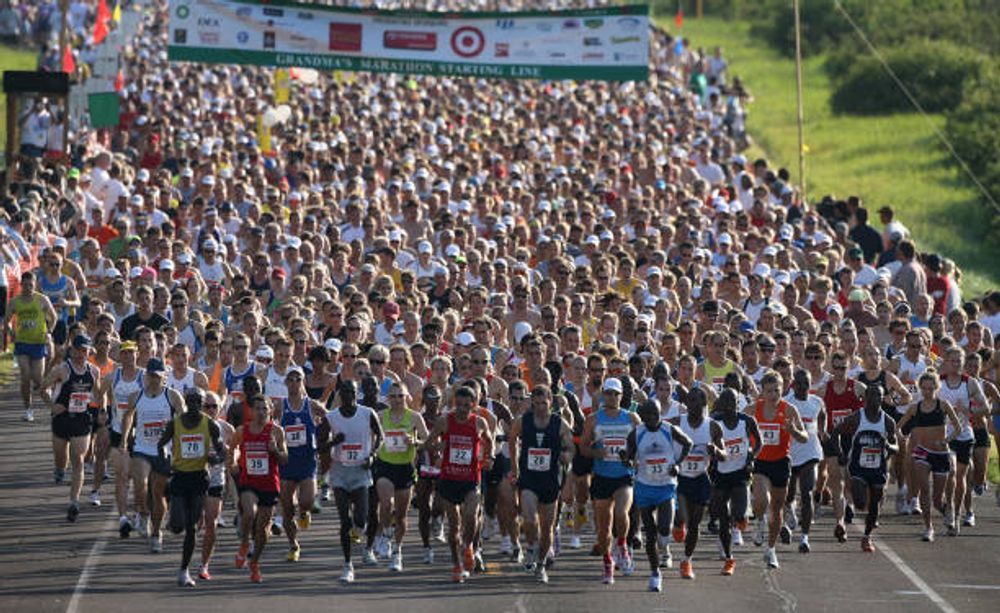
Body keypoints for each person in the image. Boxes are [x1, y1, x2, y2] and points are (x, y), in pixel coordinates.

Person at [157, 387, 225, 586]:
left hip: (199, 478)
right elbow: (161, 444)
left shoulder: (210, 424)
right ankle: (172, 511)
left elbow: (222, 450)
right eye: (192, 401)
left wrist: (216, 458)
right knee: (178, 526)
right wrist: (165, 462)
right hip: (179, 476)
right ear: (186, 403)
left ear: (203, 405)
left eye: (199, 402)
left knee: (192, 528)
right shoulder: (175, 423)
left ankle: (184, 570)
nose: (195, 405)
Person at [425, 385, 493, 583]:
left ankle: (469, 547)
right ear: (454, 403)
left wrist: (490, 457)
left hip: (471, 478)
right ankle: (457, 565)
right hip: (449, 479)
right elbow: (429, 444)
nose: (462, 409)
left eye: (467, 405)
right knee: (454, 525)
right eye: (459, 404)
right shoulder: (444, 421)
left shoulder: (479, 423)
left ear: (473, 405)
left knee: (471, 514)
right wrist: (439, 448)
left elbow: (489, 441)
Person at [509, 384, 575, 584]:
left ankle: (541, 564)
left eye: (544, 403)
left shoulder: (559, 423)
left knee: (547, 528)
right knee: (529, 519)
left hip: (550, 480)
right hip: (529, 478)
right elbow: (512, 439)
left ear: (550, 402)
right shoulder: (523, 421)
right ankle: (530, 546)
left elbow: (571, 447)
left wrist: (567, 456)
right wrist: (514, 467)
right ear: (531, 403)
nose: (540, 408)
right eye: (536, 404)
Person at [118, 357, 184, 551]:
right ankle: (143, 513)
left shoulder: (172, 396)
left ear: (164, 376)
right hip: (142, 448)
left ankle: (156, 533)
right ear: (146, 376)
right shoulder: (136, 396)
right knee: (141, 483)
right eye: (151, 376)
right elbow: (128, 416)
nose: (154, 380)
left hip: (164, 451)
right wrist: (124, 439)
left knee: (158, 494)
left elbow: (182, 418)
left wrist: (181, 444)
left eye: (158, 376)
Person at [321, 380, 383, 583]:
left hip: (360, 470)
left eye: (352, 392)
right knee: (344, 521)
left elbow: (380, 437)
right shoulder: (331, 417)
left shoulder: (367, 413)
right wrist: (333, 442)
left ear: (358, 393)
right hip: (339, 471)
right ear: (339, 395)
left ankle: (359, 533)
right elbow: (319, 445)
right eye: (345, 392)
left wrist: (372, 455)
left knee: (361, 519)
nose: (349, 395)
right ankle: (348, 565)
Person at [626, 399, 691, 590]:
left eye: (656, 414)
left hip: (666, 486)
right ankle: (655, 574)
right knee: (650, 534)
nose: (653, 418)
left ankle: (665, 548)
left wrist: (678, 464)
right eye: (648, 415)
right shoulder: (637, 433)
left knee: (664, 530)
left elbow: (688, 443)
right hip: (644, 487)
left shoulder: (669, 429)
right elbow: (628, 456)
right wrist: (627, 460)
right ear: (643, 417)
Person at [582, 377, 641, 584]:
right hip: (601, 477)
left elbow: (641, 444)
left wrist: (632, 457)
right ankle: (608, 563)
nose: (612, 397)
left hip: (624, 475)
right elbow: (583, 447)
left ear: (621, 396)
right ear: (603, 395)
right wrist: (597, 453)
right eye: (608, 393)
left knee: (621, 512)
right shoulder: (593, 419)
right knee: (604, 529)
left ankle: (623, 544)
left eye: (616, 394)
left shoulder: (632, 418)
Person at [749, 372, 809, 568]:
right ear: (762, 392)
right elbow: (737, 425)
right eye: (769, 391)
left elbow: (804, 437)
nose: (774, 394)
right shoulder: (753, 409)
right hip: (760, 462)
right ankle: (759, 522)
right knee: (761, 500)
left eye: (777, 390)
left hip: (781, 463)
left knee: (776, 508)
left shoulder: (789, 410)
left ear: (783, 389)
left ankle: (771, 549)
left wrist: (793, 431)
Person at [897, 371, 964, 541]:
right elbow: (898, 427)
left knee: (936, 499)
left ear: (936, 387)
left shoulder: (943, 405)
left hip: (940, 453)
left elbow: (958, 428)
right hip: (921, 452)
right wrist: (902, 437)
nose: (927, 391)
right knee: (924, 490)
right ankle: (928, 528)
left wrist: (946, 440)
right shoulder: (914, 408)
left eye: (931, 388)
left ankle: (948, 512)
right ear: (920, 389)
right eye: (924, 388)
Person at [229, 393, 288, 583]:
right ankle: (245, 543)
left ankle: (254, 563)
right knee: (248, 513)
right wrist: (233, 462)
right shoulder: (242, 430)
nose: (261, 412)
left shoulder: (276, 431)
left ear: (270, 411)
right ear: (251, 411)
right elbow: (232, 449)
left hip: (269, 484)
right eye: (257, 408)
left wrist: (275, 451)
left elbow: (285, 459)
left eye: (265, 408)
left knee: (263, 530)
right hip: (249, 482)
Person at [833, 384, 898, 552]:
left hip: (878, 468)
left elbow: (897, 447)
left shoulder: (888, 421)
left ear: (883, 399)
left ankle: (867, 537)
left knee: (874, 504)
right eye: (872, 395)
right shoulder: (857, 418)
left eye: (879, 396)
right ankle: (849, 505)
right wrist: (840, 453)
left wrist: (889, 447)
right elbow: (836, 432)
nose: (875, 399)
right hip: (858, 467)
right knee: (861, 502)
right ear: (865, 398)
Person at [43, 334, 100, 521]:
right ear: (72, 350)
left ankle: (73, 502)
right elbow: (43, 388)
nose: (80, 354)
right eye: (77, 350)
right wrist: (52, 406)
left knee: (78, 460)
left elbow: (98, 393)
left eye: (85, 350)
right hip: (61, 418)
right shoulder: (62, 370)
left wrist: (102, 410)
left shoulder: (94, 372)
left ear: (90, 351)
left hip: (81, 420)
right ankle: (59, 470)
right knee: (61, 458)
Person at [372, 381, 428, 572]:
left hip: (405, 468)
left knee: (402, 515)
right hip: (385, 466)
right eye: (393, 396)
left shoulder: (414, 417)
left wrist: (415, 441)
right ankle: (386, 535)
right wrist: (375, 448)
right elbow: (372, 439)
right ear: (388, 399)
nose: (397, 400)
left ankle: (397, 552)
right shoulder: (380, 416)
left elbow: (426, 441)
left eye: (401, 396)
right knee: (386, 504)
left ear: (407, 398)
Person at [672, 386, 726, 580]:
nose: (695, 404)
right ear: (686, 403)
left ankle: (686, 561)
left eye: (699, 400)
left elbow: (724, 455)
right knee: (683, 518)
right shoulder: (677, 423)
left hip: (701, 478)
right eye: (691, 400)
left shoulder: (712, 427)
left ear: (705, 404)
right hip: (680, 478)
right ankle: (678, 523)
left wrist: (716, 452)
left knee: (695, 523)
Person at [711, 388, 761, 574]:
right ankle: (729, 557)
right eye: (726, 401)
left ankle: (736, 522)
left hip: (740, 473)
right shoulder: (715, 423)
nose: (730, 405)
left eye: (733, 401)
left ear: (737, 403)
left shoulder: (747, 421)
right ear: (721, 404)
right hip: (721, 474)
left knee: (738, 515)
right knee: (721, 518)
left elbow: (760, 443)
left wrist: (752, 458)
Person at [278, 366, 325, 562]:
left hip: (306, 461)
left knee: (306, 501)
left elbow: (330, 418)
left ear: (302, 382)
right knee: (287, 509)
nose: (295, 383)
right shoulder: (280, 406)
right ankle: (293, 545)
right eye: (291, 379)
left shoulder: (311, 405)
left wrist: (324, 438)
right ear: (286, 382)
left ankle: (304, 511)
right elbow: (269, 424)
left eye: (298, 379)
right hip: (287, 462)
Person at [100, 340, 143, 537]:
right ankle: (123, 518)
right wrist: (102, 409)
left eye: (131, 353)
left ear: (137, 354)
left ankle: (140, 514)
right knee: (122, 476)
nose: (128, 357)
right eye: (124, 353)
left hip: (141, 434)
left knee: (141, 479)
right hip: (118, 431)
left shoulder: (144, 377)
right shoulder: (113, 376)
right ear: (120, 356)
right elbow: (97, 392)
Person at [784, 368, 826, 553]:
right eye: (799, 383)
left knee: (807, 494)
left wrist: (822, 432)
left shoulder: (817, 402)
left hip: (811, 453)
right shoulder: (786, 403)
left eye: (806, 384)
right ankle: (790, 511)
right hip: (790, 454)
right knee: (789, 495)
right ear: (793, 384)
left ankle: (804, 538)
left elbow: (823, 415)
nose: (802, 387)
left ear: (810, 385)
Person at [6, 270, 56, 422]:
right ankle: (28, 409)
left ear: (35, 285)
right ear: (21, 285)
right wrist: (11, 332)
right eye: (25, 285)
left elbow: (53, 317)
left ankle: (54, 408)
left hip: (38, 343)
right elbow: (6, 320)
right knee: (25, 375)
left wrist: (49, 332)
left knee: (38, 380)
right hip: (22, 343)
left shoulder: (42, 300)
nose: (28, 288)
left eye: (31, 285)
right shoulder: (15, 301)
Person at [198, 391, 233, 581]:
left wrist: (228, 457)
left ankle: (204, 565)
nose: (211, 410)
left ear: (220, 408)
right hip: (195, 478)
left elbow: (236, 455)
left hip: (215, 479)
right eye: (207, 406)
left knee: (211, 522)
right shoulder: (193, 426)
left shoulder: (227, 429)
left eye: (214, 406)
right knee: (195, 522)